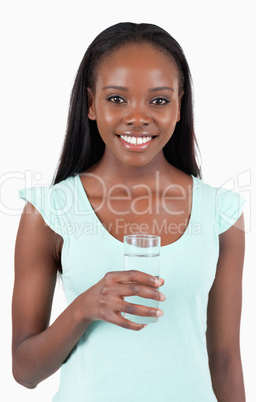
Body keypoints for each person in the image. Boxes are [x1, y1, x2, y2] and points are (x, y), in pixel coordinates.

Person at [12, 22, 246, 401]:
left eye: (158, 100)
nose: (138, 117)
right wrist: (83, 308)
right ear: (91, 104)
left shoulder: (220, 211)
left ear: (180, 105)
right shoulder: (50, 211)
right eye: (117, 99)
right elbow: (25, 371)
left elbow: (224, 360)